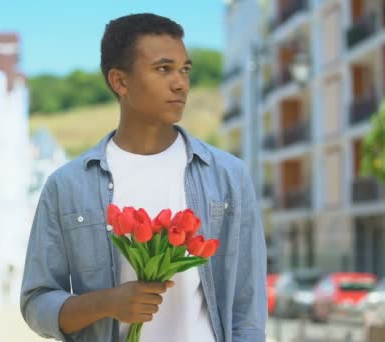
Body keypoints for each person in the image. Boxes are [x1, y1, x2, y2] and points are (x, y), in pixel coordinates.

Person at [20, 13, 267, 341]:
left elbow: (247, 308)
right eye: (164, 69)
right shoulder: (66, 186)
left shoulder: (229, 177)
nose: (180, 83)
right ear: (120, 81)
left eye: (185, 70)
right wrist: (105, 303)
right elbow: (36, 301)